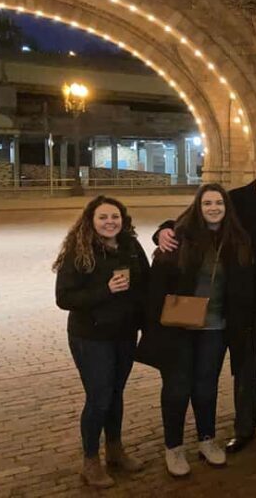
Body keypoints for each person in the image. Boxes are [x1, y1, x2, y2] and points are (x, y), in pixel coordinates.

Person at [156, 148, 256, 453]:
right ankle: (243, 428)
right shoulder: (236, 199)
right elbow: (198, 219)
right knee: (243, 362)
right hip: (243, 296)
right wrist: (164, 230)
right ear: (255, 167)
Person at [136, 184, 254, 477]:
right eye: (207, 203)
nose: (213, 208)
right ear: (198, 208)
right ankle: (173, 447)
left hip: (215, 326)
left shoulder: (237, 240)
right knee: (177, 387)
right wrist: (153, 327)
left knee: (206, 385)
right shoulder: (179, 237)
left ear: (227, 208)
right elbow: (157, 283)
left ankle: (206, 439)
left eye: (219, 203)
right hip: (180, 326)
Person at [54, 196, 149, 489]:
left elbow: (146, 283)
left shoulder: (131, 246)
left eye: (115, 217)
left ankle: (116, 450)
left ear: (123, 219)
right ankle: (91, 460)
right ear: (91, 221)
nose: (110, 222)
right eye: (103, 217)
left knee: (116, 393)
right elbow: (65, 298)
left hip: (123, 333)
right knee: (99, 397)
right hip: (90, 336)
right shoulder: (79, 251)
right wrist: (105, 290)